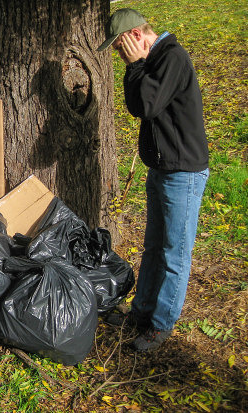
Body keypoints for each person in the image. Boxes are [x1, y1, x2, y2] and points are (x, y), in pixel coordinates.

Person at [97, 8, 210, 352]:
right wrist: (136, 68)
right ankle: (141, 313)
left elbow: (146, 104)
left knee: (175, 254)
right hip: (162, 169)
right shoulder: (152, 62)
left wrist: (135, 66)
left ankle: (161, 325)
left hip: (183, 173)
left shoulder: (171, 58)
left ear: (134, 36)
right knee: (153, 247)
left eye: (118, 48)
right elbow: (136, 105)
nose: (118, 56)